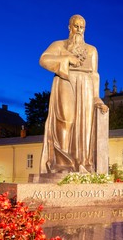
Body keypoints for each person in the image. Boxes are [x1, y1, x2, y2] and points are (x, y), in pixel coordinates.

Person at [39, 14, 108, 175]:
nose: (78, 30)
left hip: (86, 87)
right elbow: (43, 60)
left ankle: (83, 163)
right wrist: (67, 58)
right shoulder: (59, 45)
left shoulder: (91, 50)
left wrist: (97, 98)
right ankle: (62, 164)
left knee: (84, 126)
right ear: (69, 27)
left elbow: (95, 74)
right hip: (66, 81)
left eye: (81, 27)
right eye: (76, 26)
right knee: (65, 120)